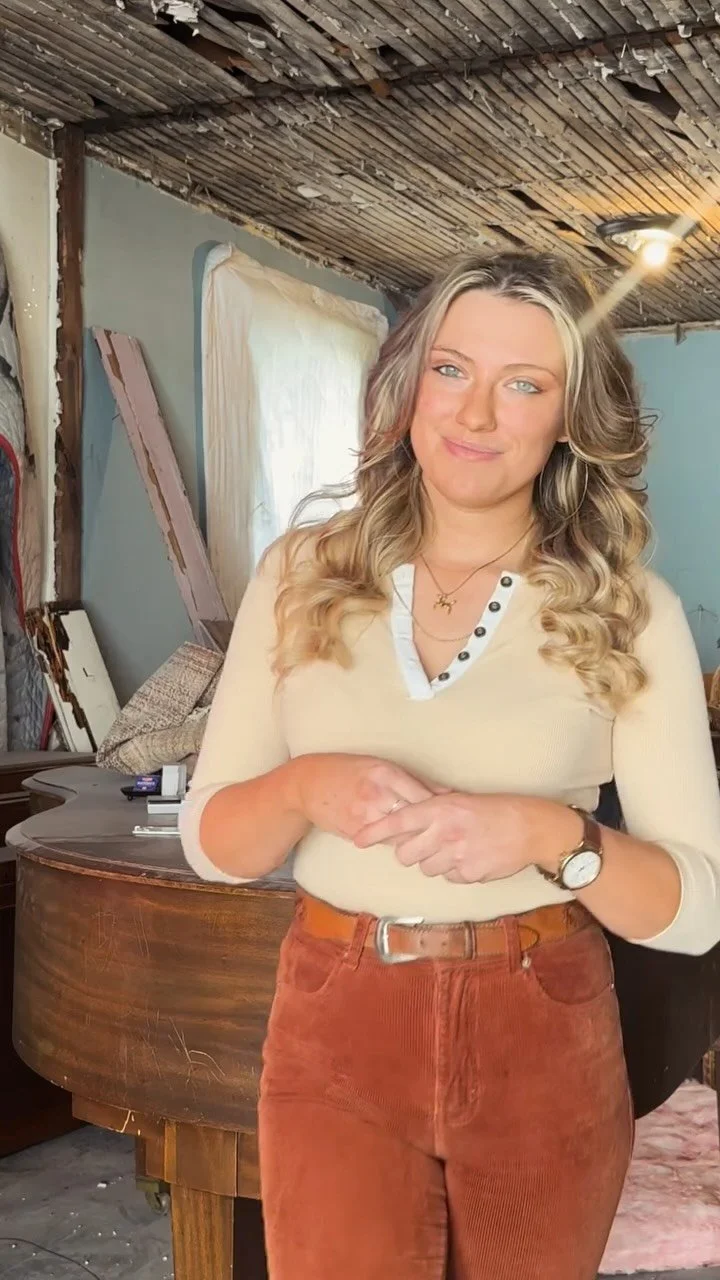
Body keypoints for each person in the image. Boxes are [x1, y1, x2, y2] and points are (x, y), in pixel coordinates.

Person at [179, 251, 720, 1280]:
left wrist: (552, 834)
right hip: (335, 1021)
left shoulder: (628, 607)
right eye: (451, 369)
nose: (475, 412)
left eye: (524, 384)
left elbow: (697, 908)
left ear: (569, 419)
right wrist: (304, 786)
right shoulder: (300, 575)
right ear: (409, 384)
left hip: (541, 1025)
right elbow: (216, 844)